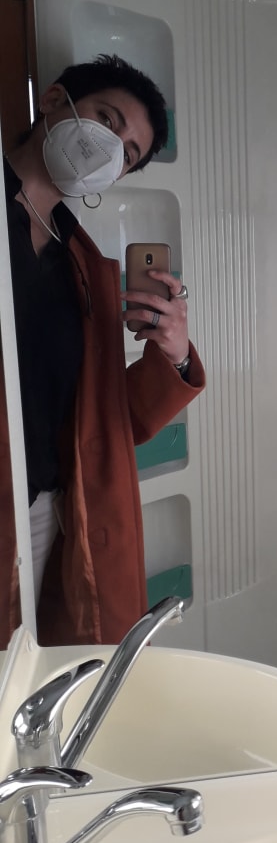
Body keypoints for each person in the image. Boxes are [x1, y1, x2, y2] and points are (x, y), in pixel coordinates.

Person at [0, 54, 205, 648]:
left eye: (128, 154)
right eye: (107, 120)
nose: (110, 148)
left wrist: (173, 354)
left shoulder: (84, 264)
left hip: (46, 511)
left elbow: (109, 422)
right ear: (54, 101)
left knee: (30, 674)